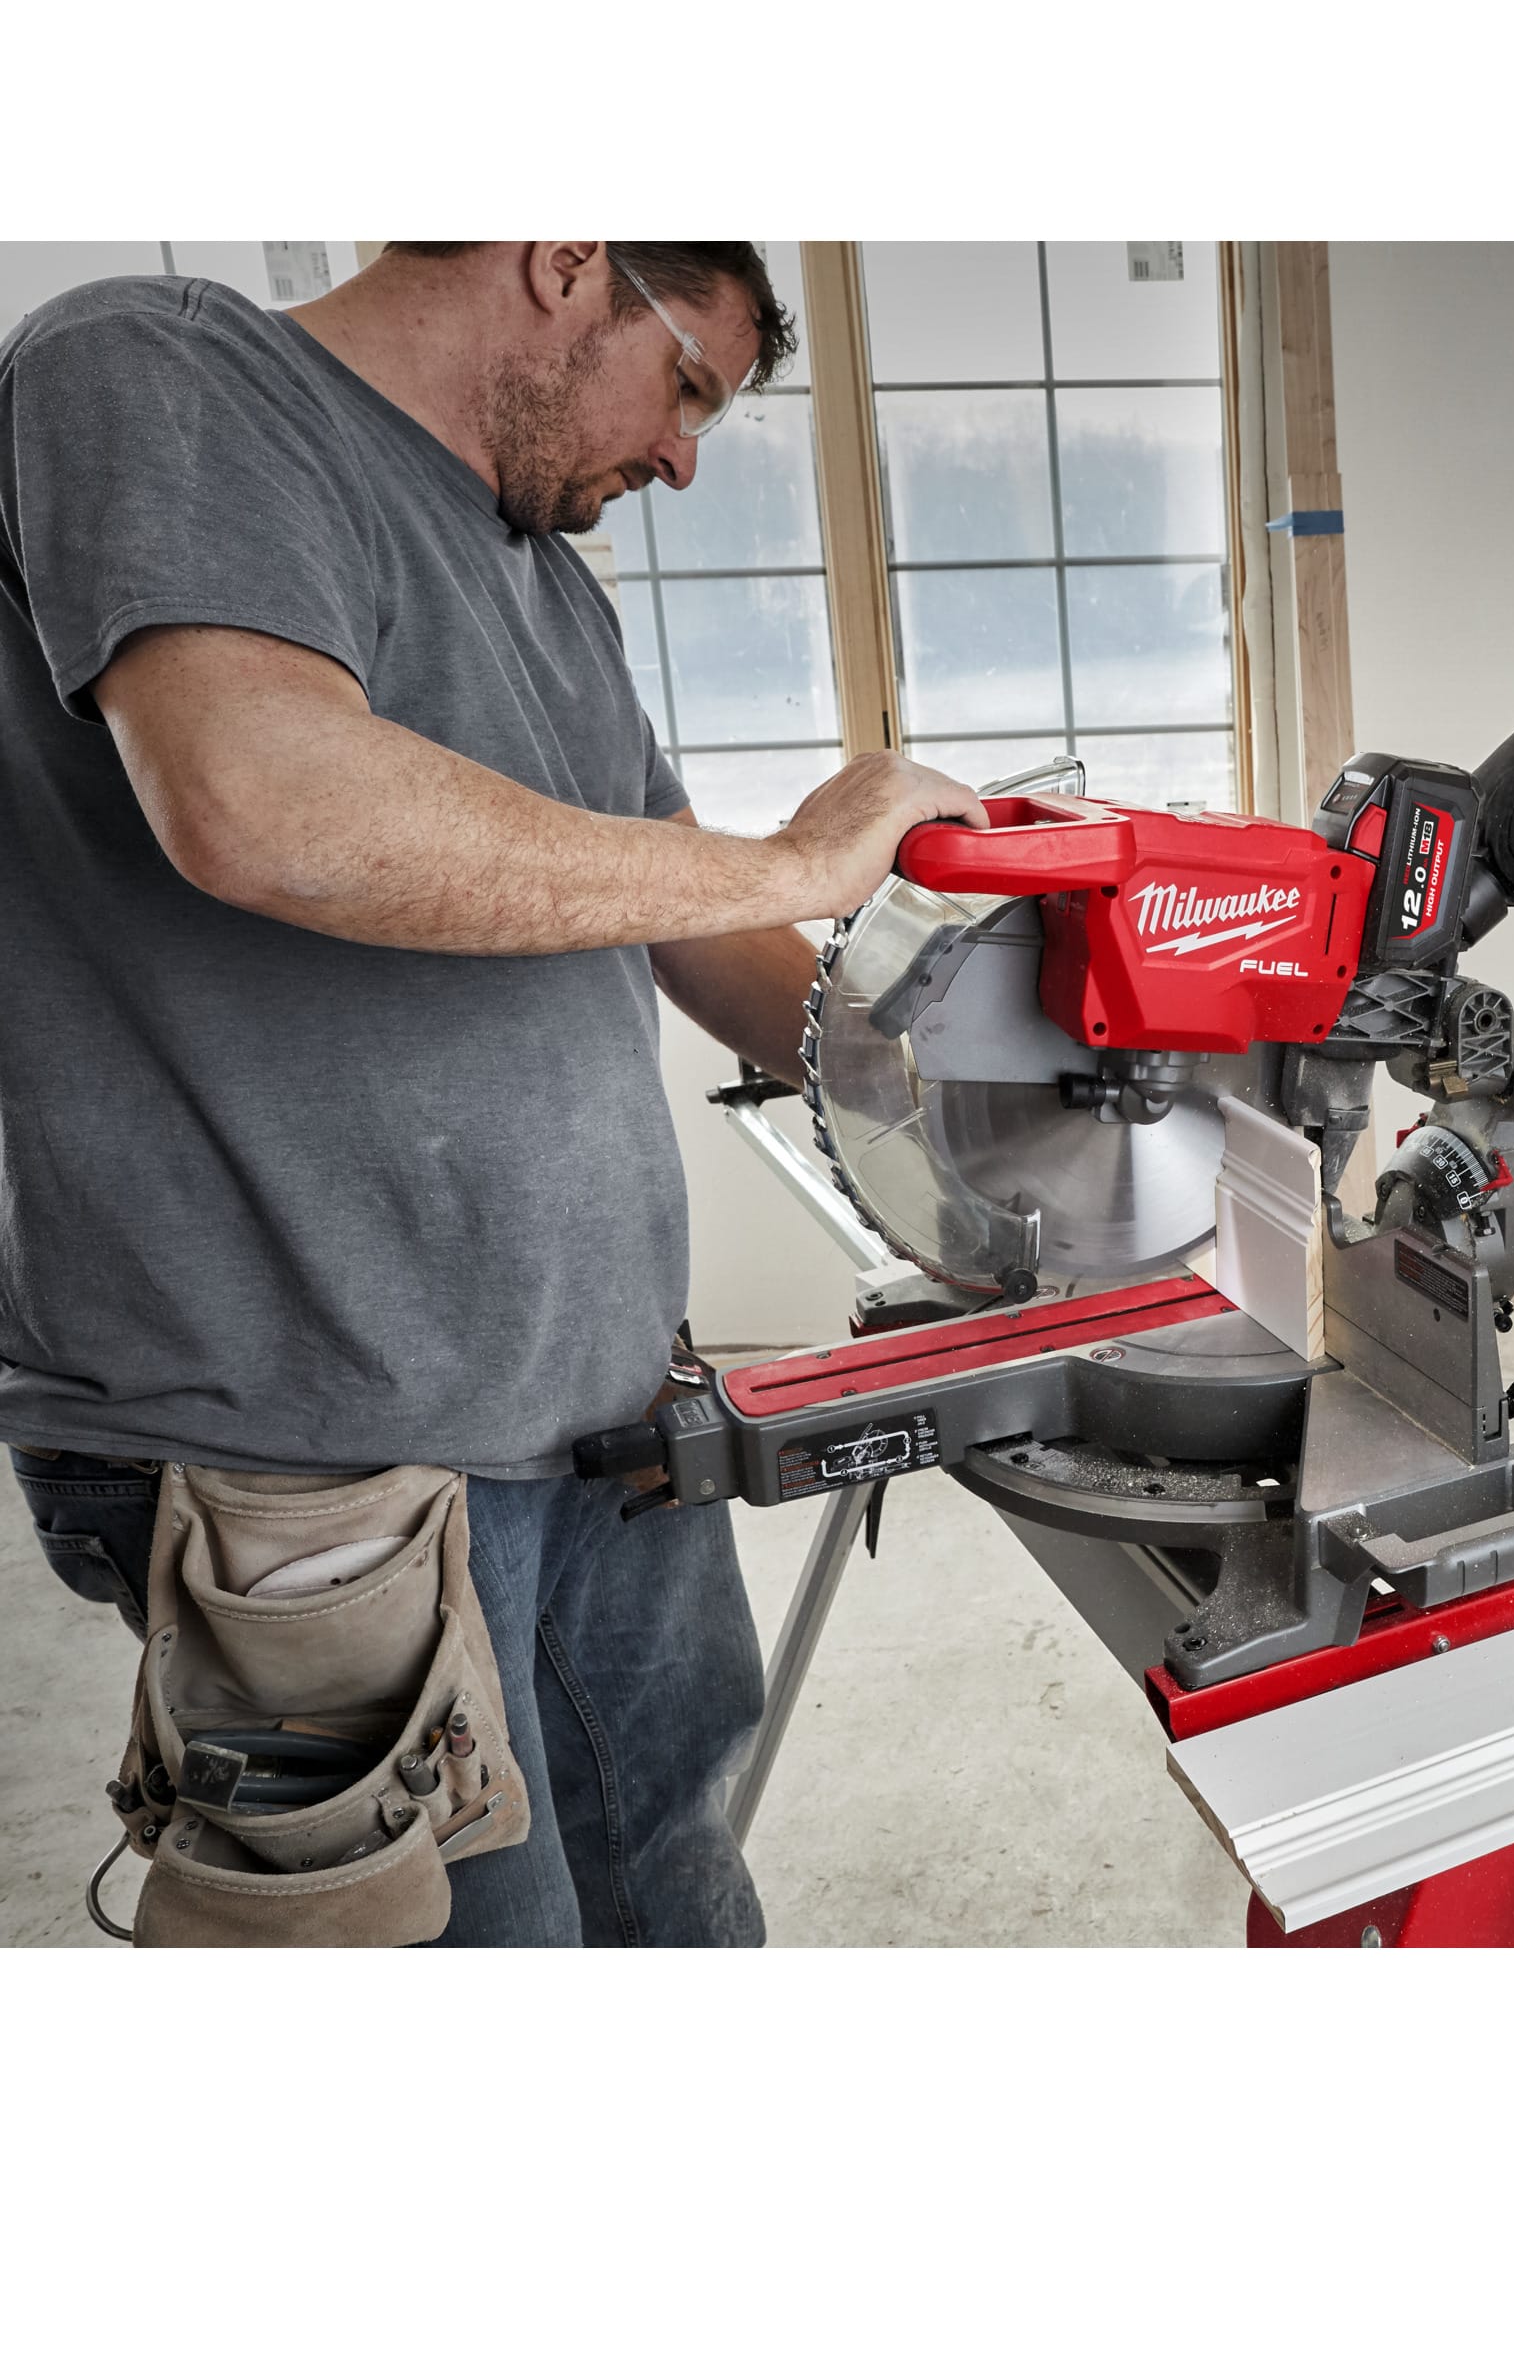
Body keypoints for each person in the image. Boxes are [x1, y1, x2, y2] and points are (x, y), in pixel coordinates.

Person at [0, 241, 985, 1945]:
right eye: (686, 385)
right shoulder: (164, 370)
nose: (682, 456)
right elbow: (263, 801)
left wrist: (979, 1093)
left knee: (674, 1887)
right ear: (563, 256)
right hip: (319, 1449)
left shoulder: (553, 593)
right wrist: (802, 855)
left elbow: (695, 921)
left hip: (604, 1407)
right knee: (476, 1946)